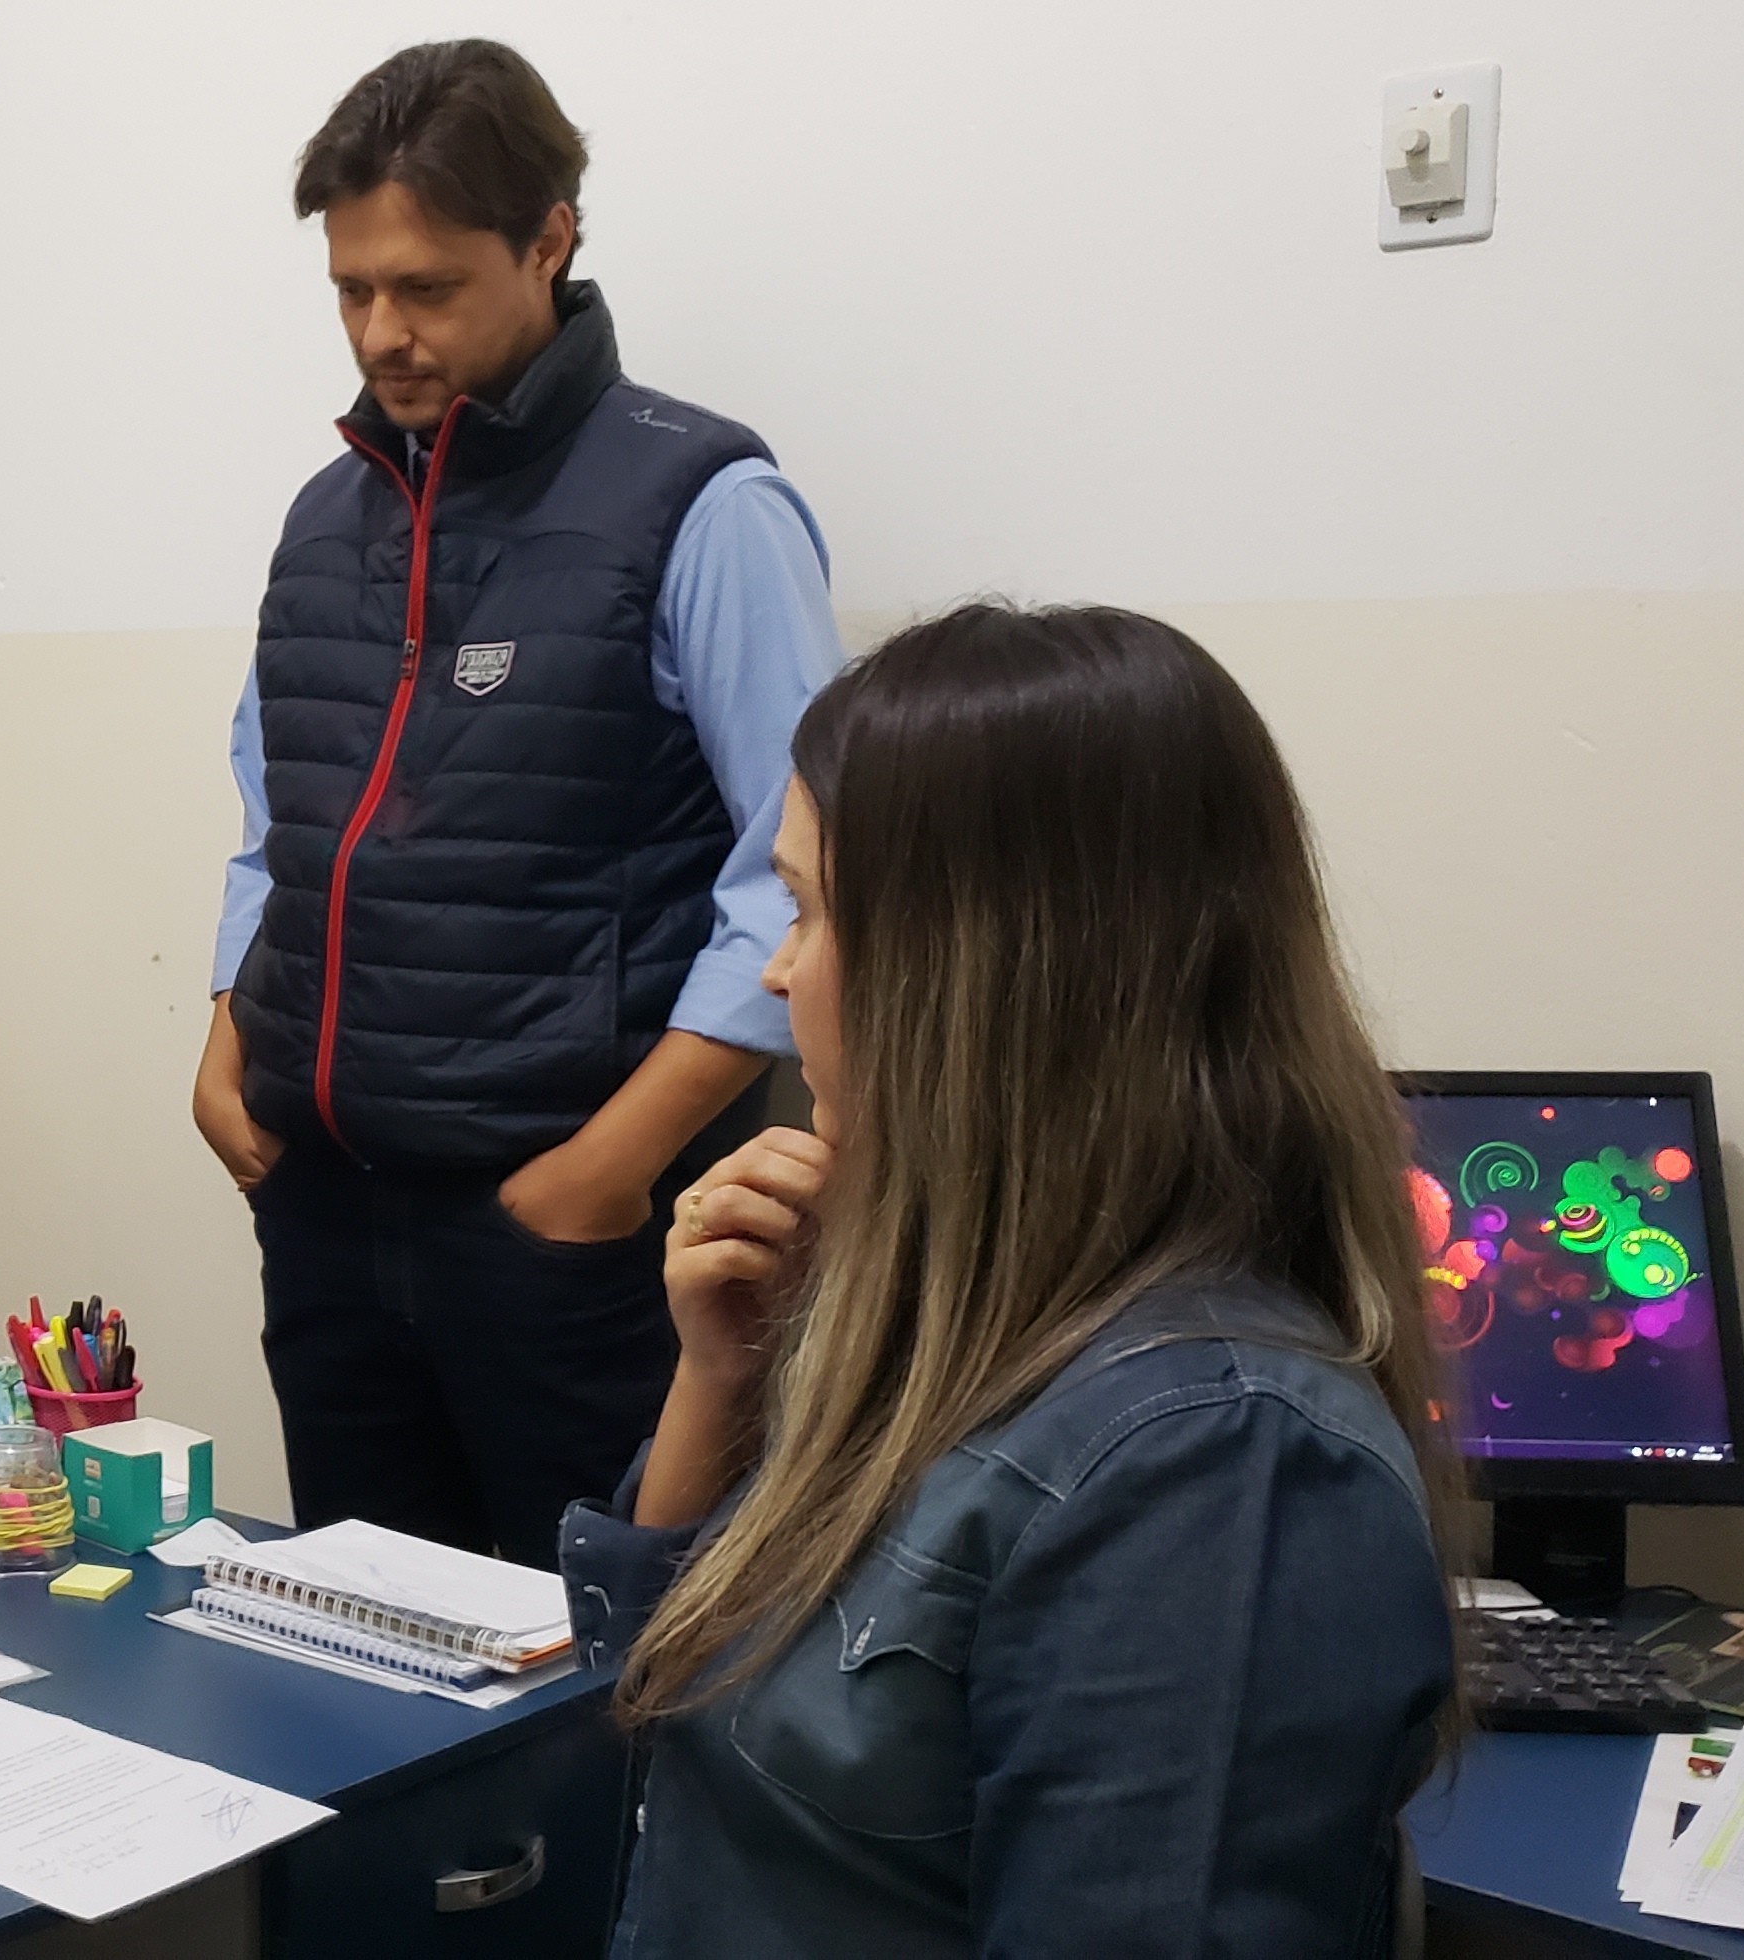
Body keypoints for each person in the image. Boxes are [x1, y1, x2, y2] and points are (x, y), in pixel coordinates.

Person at [559, 605, 1460, 1952]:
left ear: (983, 973)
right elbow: (661, 1733)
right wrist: (721, 1384)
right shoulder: (935, 1323)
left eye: (809, 911)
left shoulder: (1213, 1464)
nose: (777, 968)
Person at [195, 40, 845, 1566]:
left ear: (551, 237)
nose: (381, 333)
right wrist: (227, 1042)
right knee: (373, 1670)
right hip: (328, 1217)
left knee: (604, 1677)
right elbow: (274, 814)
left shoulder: (707, 504)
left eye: (425, 288)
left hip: (568, 1237)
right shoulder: (326, 513)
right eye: (353, 290)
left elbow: (803, 876)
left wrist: (600, 1174)